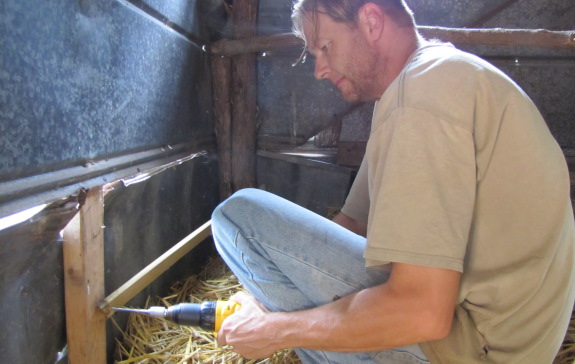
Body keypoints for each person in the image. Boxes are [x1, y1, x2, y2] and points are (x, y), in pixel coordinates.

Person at [211, 0, 575, 363]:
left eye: (325, 47)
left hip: (475, 348)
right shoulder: (424, 82)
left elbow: (423, 312)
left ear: (370, 21)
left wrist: (274, 329)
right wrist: (263, 298)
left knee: (237, 218)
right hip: (513, 343)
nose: (319, 70)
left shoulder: (424, 94)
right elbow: (352, 224)